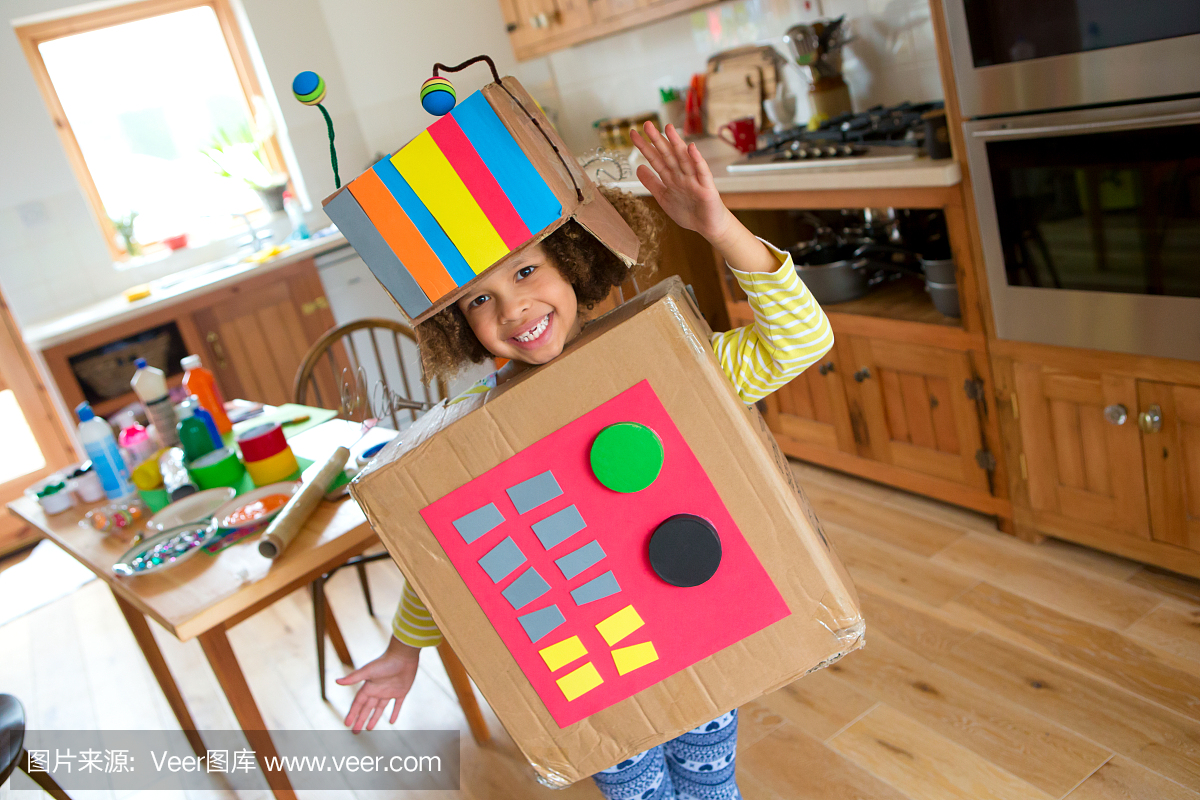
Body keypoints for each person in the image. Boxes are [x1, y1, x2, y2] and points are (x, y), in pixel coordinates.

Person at [336, 122, 834, 800]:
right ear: (456, 322)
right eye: (479, 299)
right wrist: (404, 651)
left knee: (712, 790)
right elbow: (455, 549)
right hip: (589, 666)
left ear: (571, 258)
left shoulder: (664, 367)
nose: (514, 308)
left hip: (692, 634)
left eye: (525, 269)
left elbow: (800, 341)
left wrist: (718, 227)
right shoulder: (481, 429)